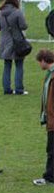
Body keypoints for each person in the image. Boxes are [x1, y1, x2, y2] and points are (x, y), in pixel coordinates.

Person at [0, 0, 29, 95]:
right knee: (19, 65)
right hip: (17, 41)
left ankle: (7, 89)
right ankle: (19, 89)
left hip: (4, 42)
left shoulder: (0, 13)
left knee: (7, 65)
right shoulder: (17, 12)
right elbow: (24, 26)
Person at [33, 48, 54, 185]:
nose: (39, 65)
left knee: (51, 149)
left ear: (43, 60)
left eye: (39, 62)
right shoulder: (50, 75)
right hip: (50, 118)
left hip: (53, 120)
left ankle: (49, 177)